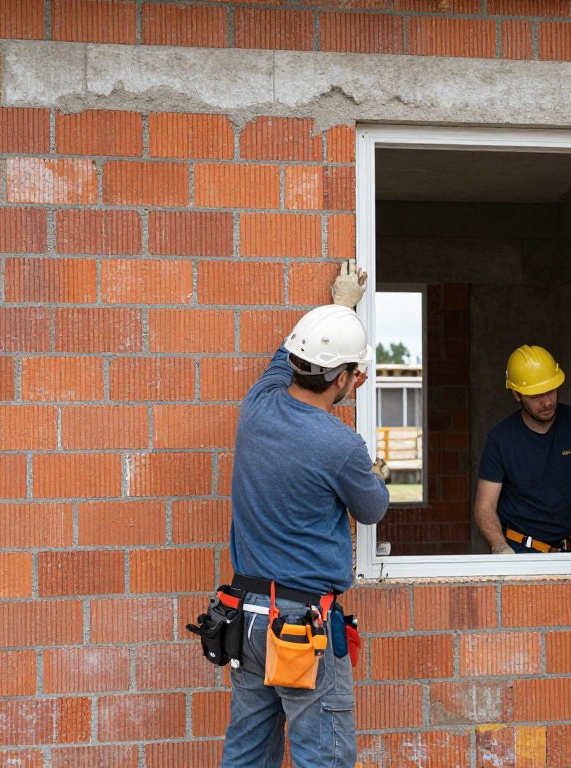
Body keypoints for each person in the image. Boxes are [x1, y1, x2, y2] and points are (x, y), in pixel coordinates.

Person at [220, 265, 389, 768]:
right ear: (342, 377)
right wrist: (371, 472)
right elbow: (373, 508)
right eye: (355, 374)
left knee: (248, 756)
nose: (356, 381)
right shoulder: (339, 445)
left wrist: (340, 305)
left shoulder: (258, 405)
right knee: (325, 757)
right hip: (301, 628)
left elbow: (283, 357)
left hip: (246, 616)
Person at [473, 344, 571, 560]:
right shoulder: (500, 438)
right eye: (536, 396)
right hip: (520, 551)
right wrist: (500, 548)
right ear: (516, 395)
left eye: (551, 390)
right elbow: (484, 506)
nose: (547, 402)